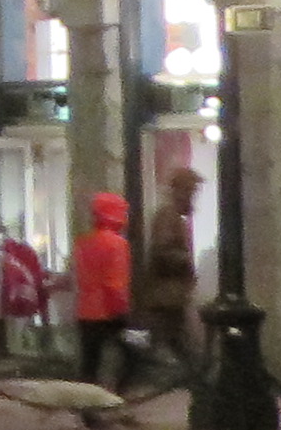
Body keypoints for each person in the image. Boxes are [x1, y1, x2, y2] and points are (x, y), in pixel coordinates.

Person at [143, 165, 205, 368]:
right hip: (167, 296)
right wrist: (185, 261)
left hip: (172, 295)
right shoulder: (167, 216)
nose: (193, 198)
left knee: (176, 343)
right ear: (181, 191)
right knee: (178, 344)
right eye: (191, 191)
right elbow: (162, 251)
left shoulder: (173, 217)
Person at [75, 190, 138, 391]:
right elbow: (114, 284)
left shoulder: (83, 243)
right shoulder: (118, 244)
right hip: (111, 313)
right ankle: (119, 394)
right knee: (136, 348)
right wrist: (123, 311)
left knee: (90, 364)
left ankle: (87, 404)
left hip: (85, 312)